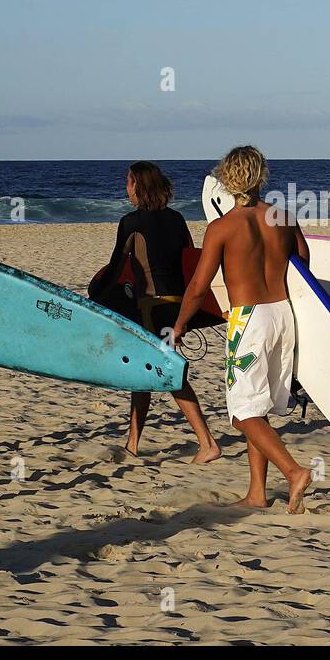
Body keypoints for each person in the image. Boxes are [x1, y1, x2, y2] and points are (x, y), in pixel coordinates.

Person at [171, 146, 312, 512]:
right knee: (259, 404)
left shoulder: (221, 228)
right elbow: (304, 266)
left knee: (242, 412)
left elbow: (200, 286)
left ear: (226, 179)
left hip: (248, 319)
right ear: (260, 176)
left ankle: (294, 471)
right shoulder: (282, 217)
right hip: (283, 314)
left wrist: (181, 324)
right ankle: (256, 494)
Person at [90, 162, 221, 463]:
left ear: (138, 185)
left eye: (128, 182)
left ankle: (207, 442)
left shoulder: (131, 222)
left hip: (151, 307)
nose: (126, 188)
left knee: (168, 372)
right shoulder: (176, 219)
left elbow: (114, 268)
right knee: (144, 372)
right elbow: (190, 260)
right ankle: (132, 444)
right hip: (177, 306)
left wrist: (94, 295)